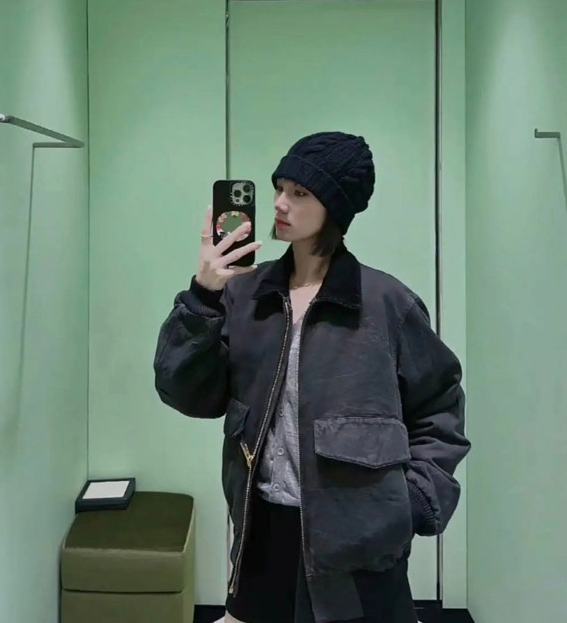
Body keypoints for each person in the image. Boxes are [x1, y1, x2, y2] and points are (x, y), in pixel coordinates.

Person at [154, 132, 471, 623]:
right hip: (262, 534)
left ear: (335, 208)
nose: (280, 203)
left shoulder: (388, 304)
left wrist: (413, 501)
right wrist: (203, 295)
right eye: (280, 188)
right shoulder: (245, 294)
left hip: (359, 545)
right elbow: (188, 393)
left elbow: (440, 406)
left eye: (300, 193)